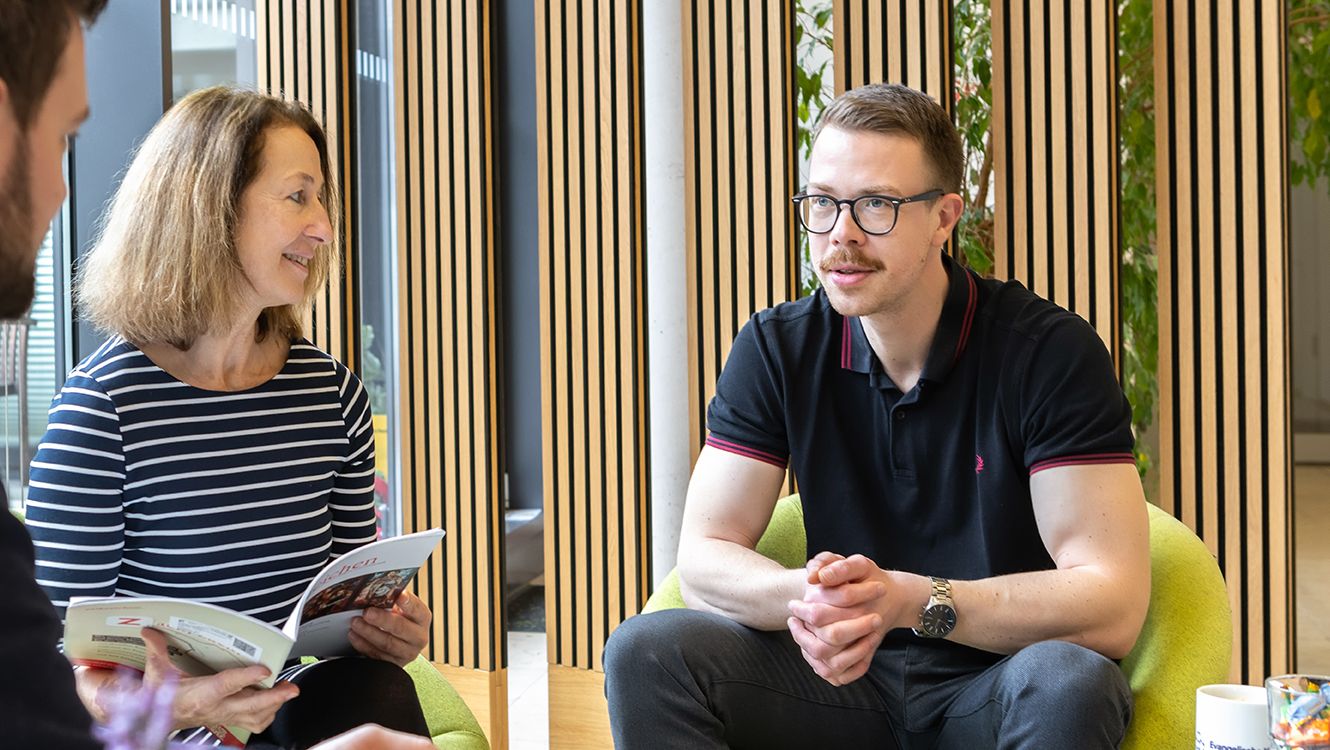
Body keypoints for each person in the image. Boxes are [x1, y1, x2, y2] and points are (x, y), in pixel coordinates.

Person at [603, 83, 1150, 749]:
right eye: (824, 203)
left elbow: (1113, 603)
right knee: (647, 651)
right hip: (830, 684)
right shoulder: (778, 347)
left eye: (876, 205)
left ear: (945, 216)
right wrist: (814, 598)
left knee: (1071, 681)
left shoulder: (1048, 354)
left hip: (995, 683)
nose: (843, 234)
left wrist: (913, 600)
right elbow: (703, 557)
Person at [0, 10, 429, 743]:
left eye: (322, 198)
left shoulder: (333, 397)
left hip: (302, 705)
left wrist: (386, 626)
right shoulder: (103, 411)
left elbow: (350, 600)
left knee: (377, 685)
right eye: (298, 196)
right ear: (209, 208)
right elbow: (53, 668)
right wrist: (190, 706)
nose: (324, 226)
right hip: (170, 730)